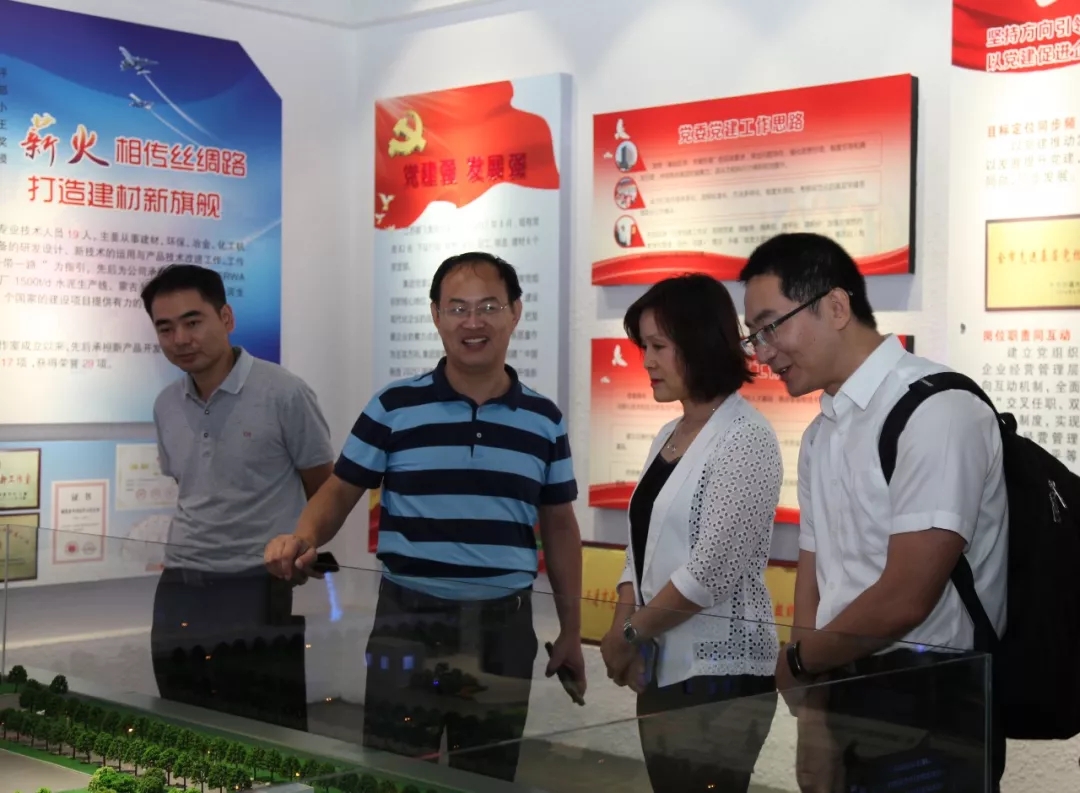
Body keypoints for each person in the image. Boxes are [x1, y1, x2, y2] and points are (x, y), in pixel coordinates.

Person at [263, 252, 585, 782]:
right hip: (408, 621)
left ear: (515, 312)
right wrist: (302, 537)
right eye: (457, 308)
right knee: (393, 771)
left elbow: (560, 525)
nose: (473, 322)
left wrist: (572, 629)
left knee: (487, 774)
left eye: (489, 307)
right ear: (436, 315)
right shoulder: (394, 406)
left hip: (502, 626)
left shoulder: (543, 420)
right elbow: (340, 489)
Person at [739, 233, 1008, 791]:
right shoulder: (821, 434)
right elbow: (815, 578)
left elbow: (905, 597)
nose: (762, 353)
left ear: (836, 307)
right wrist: (812, 710)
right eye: (754, 336)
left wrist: (797, 663)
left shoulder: (938, 410)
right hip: (840, 684)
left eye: (770, 327)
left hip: (933, 704)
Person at [600, 274, 782, 793]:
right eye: (643, 347)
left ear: (699, 344)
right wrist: (623, 629)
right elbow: (639, 549)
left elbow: (710, 574)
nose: (646, 361)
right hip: (663, 668)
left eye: (658, 346)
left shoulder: (745, 438)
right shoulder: (670, 432)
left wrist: (629, 635)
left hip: (721, 677)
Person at [142, 264, 335, 731]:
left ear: (225, 318)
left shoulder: (284, 393)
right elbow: (189, 486)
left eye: (193, 321)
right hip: (181, 581)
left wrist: (301, 548)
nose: (180, 339)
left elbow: (324, 488)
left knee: (265, 728)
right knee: (182, 719)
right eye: (165, 328)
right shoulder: (166, 403)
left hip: (257, 580)